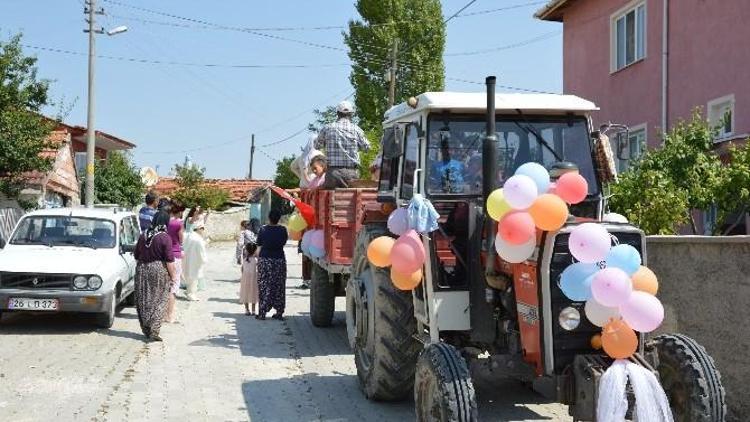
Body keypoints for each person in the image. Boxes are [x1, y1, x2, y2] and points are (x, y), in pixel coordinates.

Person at [134, 211, 177, 342]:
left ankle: (146, 328)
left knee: (143, 299)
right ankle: (154, 329)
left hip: (142, 269)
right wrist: (173, 276)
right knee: (160, 298)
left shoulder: (143, 235)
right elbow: (169, 260)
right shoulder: (165, 237)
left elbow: (136, 254)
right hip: (158, 270)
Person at [314, 100, 370, 189]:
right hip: (351, 173)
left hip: (332, 173)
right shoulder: (357, 129)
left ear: (337, 113)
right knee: (352, 200)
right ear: (351, 114)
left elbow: (316, 145)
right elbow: (367, 148)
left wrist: (327, 143)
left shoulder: (328, 128)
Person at [255, 209, 289, 320]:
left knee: (264, 285)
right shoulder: (283, 230)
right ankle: (279, 312)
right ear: (279, 218)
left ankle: (262, 312)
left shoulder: (263, 229)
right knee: (279, 285)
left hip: (265, 259)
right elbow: (283, 242)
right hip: (279, 259)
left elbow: (259, 243)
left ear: (269, 218)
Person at [165, 201, 184, 321]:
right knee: (173, 286)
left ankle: (161, 313)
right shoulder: (178, 224)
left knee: (164, 285)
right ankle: (169, 315)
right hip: (175, 255)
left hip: (163, 255)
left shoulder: (165, 221)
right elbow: (181, 240)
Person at [182, 222, 208, 301]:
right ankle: (191, 294)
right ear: (199, 229)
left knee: (189, 277)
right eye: (202, 228)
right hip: (195, 260)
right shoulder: (198, 239)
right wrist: (204, 260)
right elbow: (201, 251)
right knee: (194, 279)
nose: (203, 230)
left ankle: (188, 292)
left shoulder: (188, 235)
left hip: (187, 259)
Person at [239, 241, 259, 316]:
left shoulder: (244, 260)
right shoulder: (256, 260)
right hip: (254, 280)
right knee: (253, 293)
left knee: (245, 294)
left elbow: (242, 270)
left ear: (246, 251)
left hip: (245, 280)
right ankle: (253, 310)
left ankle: (247, 310)